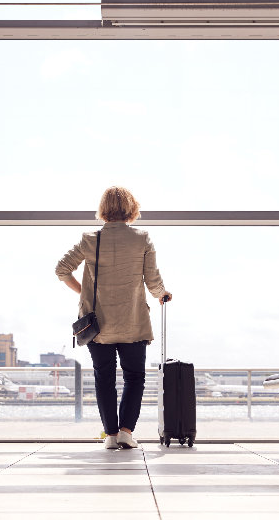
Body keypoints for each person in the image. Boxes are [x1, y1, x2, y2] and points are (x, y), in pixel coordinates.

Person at [56, 186, 172, 449]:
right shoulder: (142, 238)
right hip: (133, 322)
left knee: (104, 378)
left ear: (103, 209)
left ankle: (109, 436)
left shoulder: (90, 239)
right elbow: (153, 281)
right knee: (135, 378)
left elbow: (62, 269)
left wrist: (83, 291)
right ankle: (126, 432)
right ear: (132, 209)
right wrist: (163, 294)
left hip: (97, 325)